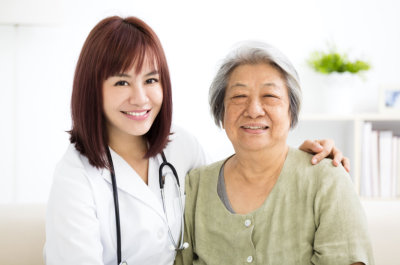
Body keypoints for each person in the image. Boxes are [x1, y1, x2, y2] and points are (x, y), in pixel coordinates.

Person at [45, 16, 350, 265]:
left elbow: (230, 192)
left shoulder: (183, 148)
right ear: (92, 89)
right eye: (122, 81)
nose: (140, 98)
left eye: (151, 80)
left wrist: (300, 158)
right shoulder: (75, 177)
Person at [174, 42, 374, 265]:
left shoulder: (327, 180)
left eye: (270, 95)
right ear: (221, 112)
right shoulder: (196, 185)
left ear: (291, 111)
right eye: (239, 96)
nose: (253, 110)